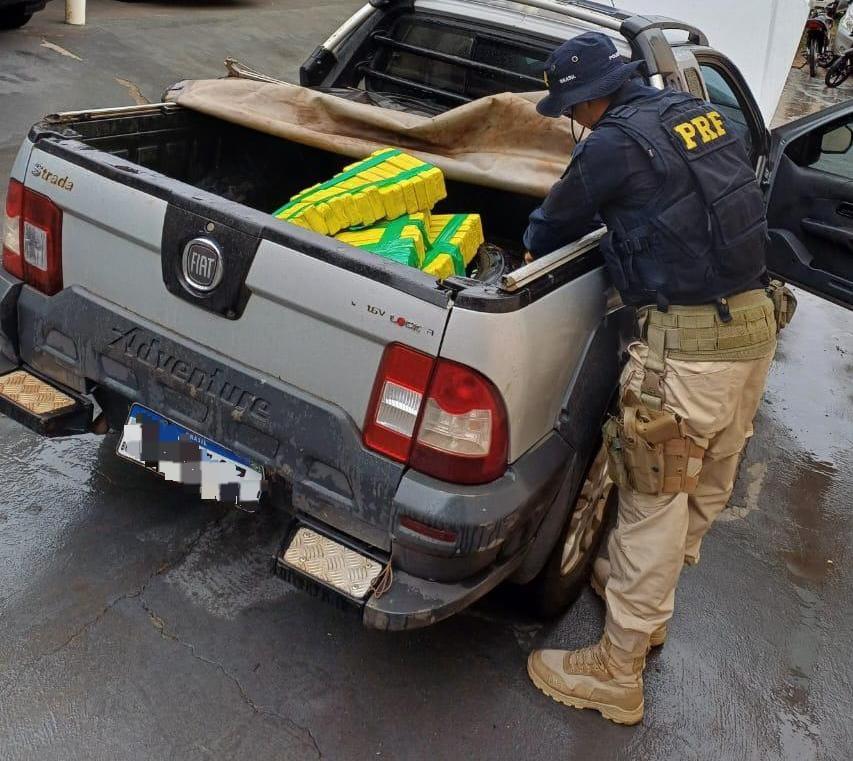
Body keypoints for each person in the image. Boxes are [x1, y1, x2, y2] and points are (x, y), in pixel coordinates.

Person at [523, 32, 795, 725]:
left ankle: (617, 672)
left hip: (690, 351)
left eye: (570, 109)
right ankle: (649, 616)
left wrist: (529, 242)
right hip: (754, 330)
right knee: (701, 487)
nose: (572, 120)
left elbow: (547, 231)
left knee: (652, 503)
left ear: (589, 99)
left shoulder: (611, 145)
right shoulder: (692, 113)